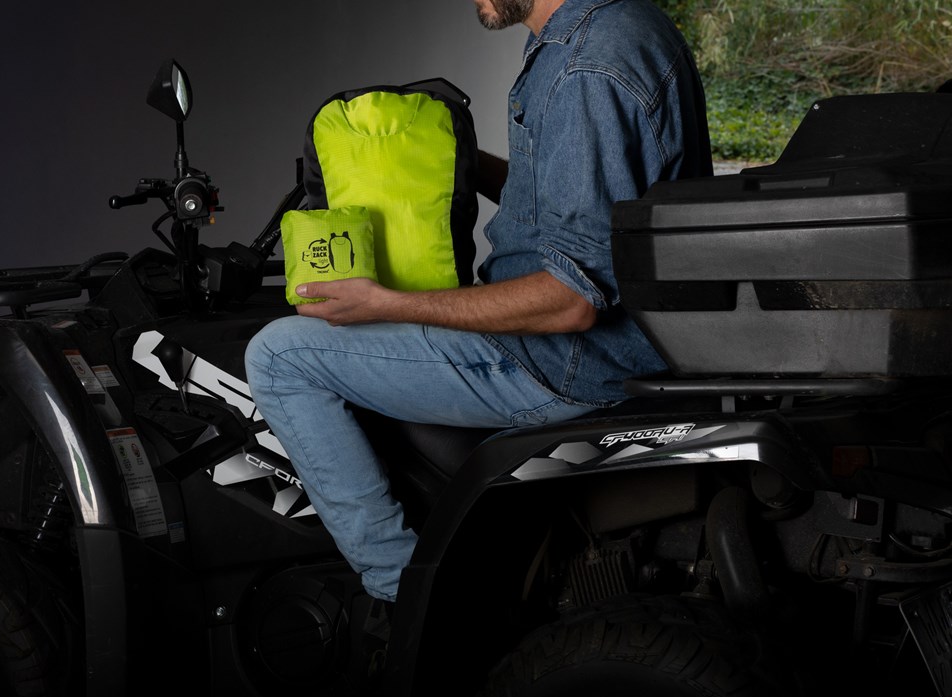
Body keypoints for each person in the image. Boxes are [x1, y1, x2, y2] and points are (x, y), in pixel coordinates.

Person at [244, 0, 712, 604]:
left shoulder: (586, 65)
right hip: (629, 346)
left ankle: (405, 597)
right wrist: (446, 161)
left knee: (280, 357)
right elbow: (571, 197)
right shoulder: (619, 25)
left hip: (564, 361)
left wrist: (387, 303)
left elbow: (572, 301)